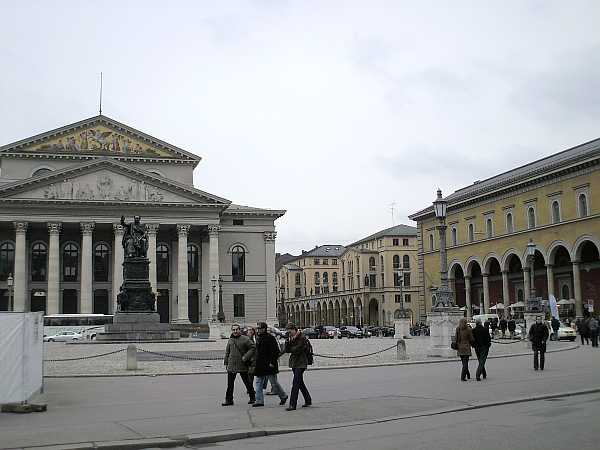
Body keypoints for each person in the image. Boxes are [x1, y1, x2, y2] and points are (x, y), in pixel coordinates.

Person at [252, 322, 288, 407]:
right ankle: (259, 400)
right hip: (260, 364)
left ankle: (283, 396)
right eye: (258, 329)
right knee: (258, 382)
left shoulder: (270, 338)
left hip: (269, 364)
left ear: (264, 329)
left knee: (274, 383)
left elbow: (275, 352)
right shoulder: (258, 338)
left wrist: (272, 362)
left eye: (260, 328)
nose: (258, 330)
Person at [222, 324, 256, 406]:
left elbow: (253, 347)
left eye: (236, 329)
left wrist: (246, 356)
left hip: (242, 364)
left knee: (247, 382)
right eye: (233, 330)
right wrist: (226, 362)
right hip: (231, 364)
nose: (235, 331)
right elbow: (227, 351)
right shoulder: (230, 340)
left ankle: (253, 397)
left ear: (240, 330)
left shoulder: (245, 339)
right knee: (230, 384)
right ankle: (229, 400)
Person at [283, 323, 312, 411]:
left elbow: (298, 349)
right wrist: (287, 341)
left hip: (302, 362)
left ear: (294, 329)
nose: (289, 333)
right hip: (294, 363)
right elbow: (287, 350)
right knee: (300, 383)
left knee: (295, 383)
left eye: (290, 331)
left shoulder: (302, 337)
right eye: (288, 332)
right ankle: (308, 400)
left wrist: (291, 345)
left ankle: (292, 404)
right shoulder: (290, 338)